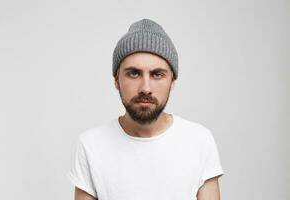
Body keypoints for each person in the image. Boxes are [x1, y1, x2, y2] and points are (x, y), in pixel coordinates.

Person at [67, 18, 224, 200]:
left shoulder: (199, 140)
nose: (145, 88)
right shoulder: (90, 145)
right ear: (116, 80)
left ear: (172, 81)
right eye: (134, 73)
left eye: (157, 74)